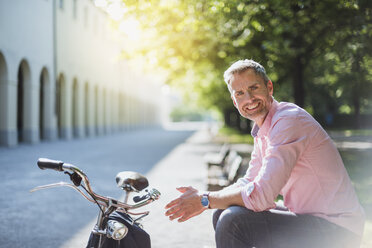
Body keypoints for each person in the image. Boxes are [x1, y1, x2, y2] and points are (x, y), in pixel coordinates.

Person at [164, 59, 365, 248]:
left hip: (337, 229)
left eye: (254, 88)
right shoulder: (264, 130)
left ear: (269, 87)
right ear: (235, 102)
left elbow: (262, 196)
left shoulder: (288, 121)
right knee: (222, 212)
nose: (249, 99)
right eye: (240, 93)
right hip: (310, 219)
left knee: (233, 221)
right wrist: (208, 199)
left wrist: (204, 200)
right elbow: (249, 181)